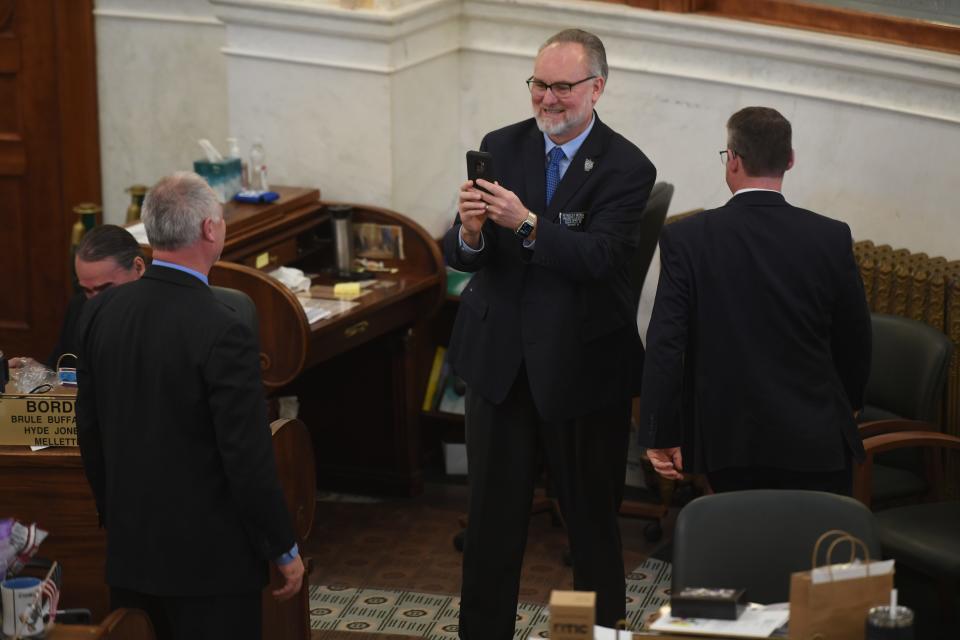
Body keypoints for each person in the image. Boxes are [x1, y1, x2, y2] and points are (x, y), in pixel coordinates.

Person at [442, 29, 656, 637]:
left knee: (590, 529)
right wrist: (473, 233)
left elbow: (600, 259)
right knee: (490, 528)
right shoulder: (499, 147)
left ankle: (598, 635)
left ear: (597, 88)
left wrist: (527, 224)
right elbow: (464, 254)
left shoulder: (627, 166)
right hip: (500, 369)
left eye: (563, 87)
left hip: (582, 373)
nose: (548, 100)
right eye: (539, 84)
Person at [76, 172, 304, 640]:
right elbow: (247, 457)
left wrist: (116, 515)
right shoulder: (224, 328)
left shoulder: (103, 312)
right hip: (209, 569)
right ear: (209, 230)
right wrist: (282, 547)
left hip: (131, 554)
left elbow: (89, 429)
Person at [639, 106, 871, 495]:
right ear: (790, 160)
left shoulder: (687, 239)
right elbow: (854, 337)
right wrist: (849, 403)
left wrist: (660, 431)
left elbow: (666, 344)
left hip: (728, 439)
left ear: (733, 160)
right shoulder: (830, 236)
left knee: (743, 549)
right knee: (811, 552)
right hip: (815, 437)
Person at [9, 224, 145, 371]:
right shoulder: (79, 306)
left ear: (138, 268)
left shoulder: (164, 316)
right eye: (87, 290)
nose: (95, 302)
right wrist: (35, 371)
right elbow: (61, 369)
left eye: (105, 289)